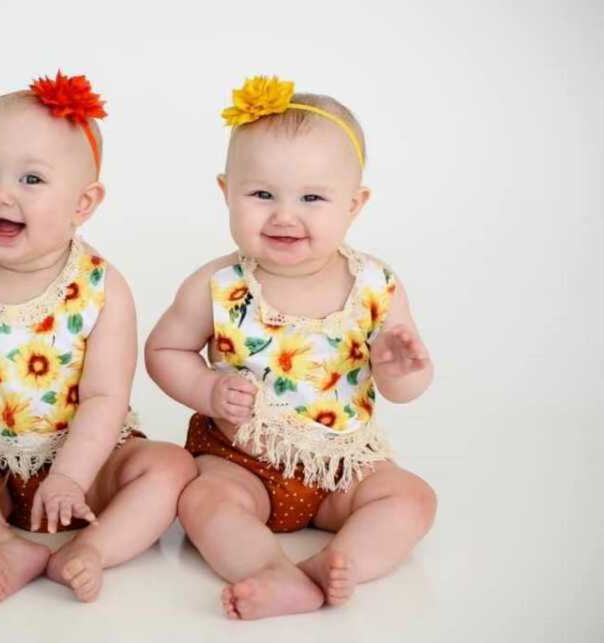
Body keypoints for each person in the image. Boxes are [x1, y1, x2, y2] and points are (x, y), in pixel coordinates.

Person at [0, 72, 196, 603]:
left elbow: (104, 397)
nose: (0, 193)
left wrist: (72, 477)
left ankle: (92, 548)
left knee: (171, 469)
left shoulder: (102, 288)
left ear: (83, 204)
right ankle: (1, 543)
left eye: (32, 179)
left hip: (88, 464)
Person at [145, 76, 437, 620]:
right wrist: (206, 388)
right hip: (239, 462)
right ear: (225, 191)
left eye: (312, 198)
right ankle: (270, 572)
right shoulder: (218, 285)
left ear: (354, 204)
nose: (284, 214)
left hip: (340, 470)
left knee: (413, 498)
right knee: (201, 501)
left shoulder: (375, 285)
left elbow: (405, 389)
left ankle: (337, 561)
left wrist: (399, 369)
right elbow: (164, 350)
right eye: (261, 195)